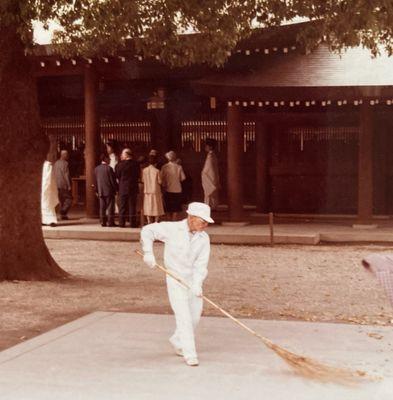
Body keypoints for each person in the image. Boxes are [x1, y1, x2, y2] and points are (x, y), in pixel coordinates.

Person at [141, 202, 214, 366]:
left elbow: (201, 265)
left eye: (207, 222)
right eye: (203, 221)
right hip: (174, 278)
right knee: (184, 317)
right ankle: (190, 353)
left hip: (192, 280)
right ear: (191, 217)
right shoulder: (172, 229)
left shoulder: (204, 238)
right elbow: (147, 231)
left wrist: (197, 284)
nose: (206, 225)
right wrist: (148, 253)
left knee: (195, 315)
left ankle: (177, 340)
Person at [115, 148, 140, 227]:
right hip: (133, 187)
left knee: (122, 206)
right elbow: (138, 175)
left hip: (122, 187)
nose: (121, 155)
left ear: (126, 155)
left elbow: (117, 176)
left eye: (122, 154)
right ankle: (133, 223)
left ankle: (122, 223)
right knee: (132, 206)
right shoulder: (136, 164)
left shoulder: (119, 165)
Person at [161, 150, 186, 221]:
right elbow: (183, 178)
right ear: (175, 157)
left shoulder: (164, 167)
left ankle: (169, 222)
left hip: (167, 189)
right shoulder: (179, 167)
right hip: (177, 189)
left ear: (167, 158)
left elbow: (161, 179)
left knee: (168, 208)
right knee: (176, 208)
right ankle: (174, 220)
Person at [94, 154, 118, 227]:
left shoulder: (96, 169)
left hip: (101, 191)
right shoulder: (109, 169)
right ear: (105, 159)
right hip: (109, 191)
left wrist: (96, 190)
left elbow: (95, 181)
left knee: (102, 207)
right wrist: (116, 189)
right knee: (110, 208)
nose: (110, 160)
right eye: (109, 159)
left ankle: (102, 222)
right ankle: (110, 222)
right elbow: (112, 181)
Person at [142, 155, 164, 224]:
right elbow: (160, 181)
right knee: (156, 206)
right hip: (155, 190)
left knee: (148, 206)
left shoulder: (144, 170)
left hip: (147, 190)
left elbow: (143, 180)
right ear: (156, 163)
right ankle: (156, 221)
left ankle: (149, 220)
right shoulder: (157, 171)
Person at [53, 149, 72, 220]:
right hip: (64, 184)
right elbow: (66, 175)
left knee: (61, 200)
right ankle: (63, 212)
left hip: (57, 184)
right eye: (66, 154)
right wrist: (69, 185)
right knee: (69, 200)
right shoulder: (65, 163)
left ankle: (63, 216)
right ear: (63, 155)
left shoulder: (56, 163)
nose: (67, 156)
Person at [201, 138, 220, 210]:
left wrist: (203, 173)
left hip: (210, 177)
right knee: (212, 194)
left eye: (206, 146)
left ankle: (210, 207)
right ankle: (212, 206)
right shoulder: (211, 155)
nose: (205, 147)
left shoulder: (211, 156)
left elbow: (208, 169)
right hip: (211, 177)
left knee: (210, 193)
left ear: (210, 147)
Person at [41, 157, 59, 227]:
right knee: (43, 205)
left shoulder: (47, 165)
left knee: (48, 205)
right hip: (42, 187)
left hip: (46, 188)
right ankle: (44, 220)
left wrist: (45, 188)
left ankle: (51, 220)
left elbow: (48, 179)